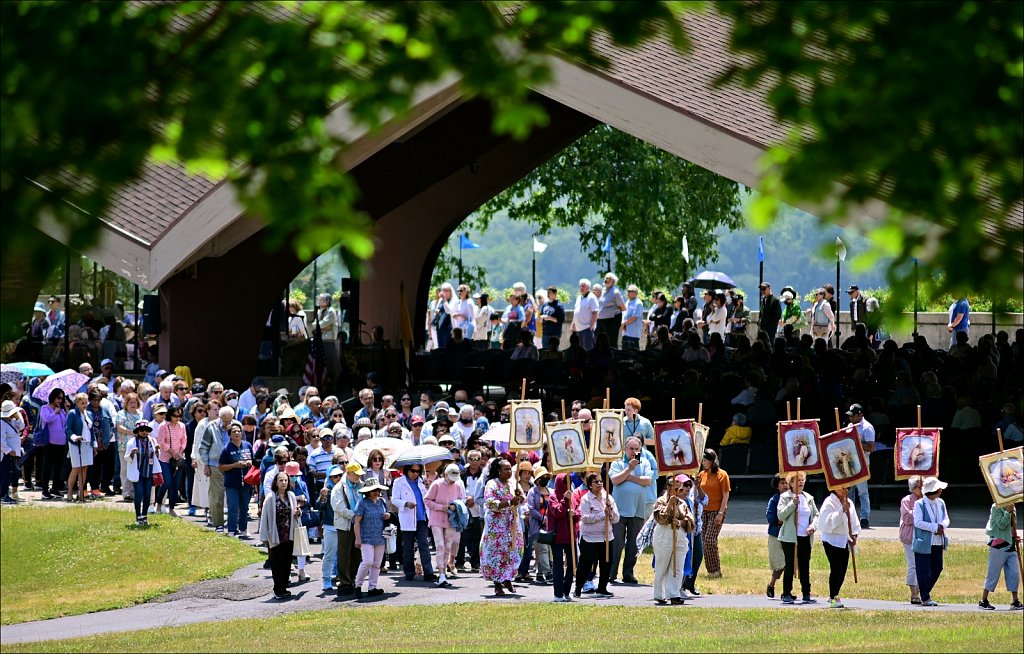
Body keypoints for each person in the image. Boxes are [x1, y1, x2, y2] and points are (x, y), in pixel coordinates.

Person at [609, 437, 654, 583]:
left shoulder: (645, 462)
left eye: (637, 449)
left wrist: (628, 478)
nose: (634, 452)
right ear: (625, 449)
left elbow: (648, 480)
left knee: (633, 544)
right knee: (616, 543)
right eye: (631, 449)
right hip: (619, 511)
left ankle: (628, 573)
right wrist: (630, 469)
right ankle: (611, 572)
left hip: (638, 510)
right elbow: (615, 480)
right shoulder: (617, 462)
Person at [482, 457, 524, 595]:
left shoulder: (513, 483)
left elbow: (522, 499)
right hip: (497, 526)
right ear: (498, 471)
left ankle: (508, 578)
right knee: (496, 553)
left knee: (512, 551)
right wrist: (509, 502)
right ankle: (497, 584)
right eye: (505, 469)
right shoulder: (492, 484)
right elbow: (489, 503)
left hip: (511, 524)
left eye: (510, 469)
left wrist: (519, 497)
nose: (509, 471)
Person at [651, 475, 695, 605]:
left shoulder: (683, 504)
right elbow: (660, 518)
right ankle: (659, 594)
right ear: (669, 488)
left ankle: (674, 594)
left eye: (680, 490)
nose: (678, 493)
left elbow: (691, 522)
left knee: (677, 567)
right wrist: (670, 505)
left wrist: (681, 522)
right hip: (664, 535)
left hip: (680, 537)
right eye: (676, 489)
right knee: (662, 566)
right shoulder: (660, 501)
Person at [574, 472, 618, 598]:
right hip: (590, 538)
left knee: (606, 563)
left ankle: (602, 588)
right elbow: (585, 518)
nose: (599, 483)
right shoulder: (586, 499)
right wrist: (602, 515)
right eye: (596, 482)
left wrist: (611, 511)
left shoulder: (608, 498)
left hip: (606, 537)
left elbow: (616, 519)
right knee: (586, 564)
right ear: (589, 485)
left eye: (601, 481)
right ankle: (578, 588)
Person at [776, 471, 818, 604]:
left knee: (805, 566)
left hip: (805, 537)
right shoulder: (785, 497)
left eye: (802, 480)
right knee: (790, 565)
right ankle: (786, 593)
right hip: (790, 537)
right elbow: (780, 516)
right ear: (791, 483)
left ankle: (806, 593)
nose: (801, 482)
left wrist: (813, 526)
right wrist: (792, 504)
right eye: (797, 480)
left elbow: (817, 515)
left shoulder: (808, 498)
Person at [817, 485, 861, 608]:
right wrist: (842, 510)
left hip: (844, 539)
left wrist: (855, 534)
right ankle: (833, 597)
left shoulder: (849, 502)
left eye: (848, 488)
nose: (846, 491)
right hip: (831, 539)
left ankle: (835, 592)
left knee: (842, 570)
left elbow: (854, 521)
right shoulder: (829, 502)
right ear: (835, 489)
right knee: (836, 568)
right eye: (843, 488)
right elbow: (828, 523)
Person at [392, 463, 436, 583]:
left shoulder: (422, 482)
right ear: (407, 470)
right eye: (413, 471)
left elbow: (427, 498)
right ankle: (409, 572)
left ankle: (429, 572)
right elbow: (394, 499)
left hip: (422, 517)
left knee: (424, 545)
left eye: (418, 471)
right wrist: (405, 503)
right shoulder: (399, 482)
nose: (415, 473)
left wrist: (428, 486)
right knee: (408, 547)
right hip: (408, 517)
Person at [424, 463, 466, 587]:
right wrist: (442, 507)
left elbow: (461, 499)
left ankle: (444, 572)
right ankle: (441, 574)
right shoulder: (436, 484)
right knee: (440, 545)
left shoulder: (458, 485)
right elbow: (427, 500)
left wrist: (456, 506)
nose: (452, 481)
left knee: (447, 546)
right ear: (445, 474)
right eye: (450, 478)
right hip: (436, 518)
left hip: (451, 519)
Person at [260, 470, 300, 599]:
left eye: (285, 480)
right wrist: (264, 537)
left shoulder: (291, 496)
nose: (283, 483)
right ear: (276, 483)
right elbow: (265, 518)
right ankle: (278, 589)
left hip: (288, 534)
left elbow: (296, 516)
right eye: (281, 480)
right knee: (276, 562)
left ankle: (284, 587)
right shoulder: (271, 497)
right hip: (275, 534)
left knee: (287, 561)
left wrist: (298, 513)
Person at [912, 476, 950, 606]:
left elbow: (946, 519)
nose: (940, 491)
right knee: (922, 569)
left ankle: (923, 590)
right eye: (938, 489)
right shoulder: (919, 504)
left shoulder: (941, 502)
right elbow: (917, 522)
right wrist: (934, 527)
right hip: (924, 541)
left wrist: (942, 526)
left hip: (938, 541)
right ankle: (925, 597)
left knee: (937, 567)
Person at [331, 461, 367, 595]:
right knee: (344, 555)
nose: (359, 477)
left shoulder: (361, 486)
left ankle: (353, 580)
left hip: (359, 524)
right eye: (356, 475)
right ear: (349, 473)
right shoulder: (339, 488)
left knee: (357, 554)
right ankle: (344, 583)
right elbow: (338, 507)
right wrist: (354, 516)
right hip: (345, 525)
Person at [979, 502, 1022, 610]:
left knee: (1014, 573)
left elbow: (1012, 525)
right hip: (998, 545)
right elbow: (1001, 525)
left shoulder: (1012, 507)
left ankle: (1015, 601)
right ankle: (983, 600)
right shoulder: (995, 507)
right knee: (993, 573)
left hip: (1011, 545)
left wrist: (1014, 536)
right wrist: (1007, 511)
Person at [352, 477, 391, 598]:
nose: (376, 492)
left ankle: (372, 587)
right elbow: (357, 521)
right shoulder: (362, 503)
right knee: (367, 561)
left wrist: (388, 515)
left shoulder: (382, 501)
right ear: (367, 491)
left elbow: (389, 513)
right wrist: (358, 538)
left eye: (377, 489)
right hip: (366, 537)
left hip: (380, 536)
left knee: (377, 564)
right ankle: (358, 585)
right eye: (373, 490)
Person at [697, 448, 730, 579]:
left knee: (710, 539)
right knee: (703, 541)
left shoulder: (722, 475)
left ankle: (716, 570)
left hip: (716, 510)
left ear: (711, 461)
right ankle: (711, 570)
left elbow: (726, 495)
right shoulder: (701, 474)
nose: (703, 463)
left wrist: (720, 513)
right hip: (703, 511)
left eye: (705, 460)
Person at [547, 472, 580, 602]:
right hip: (557, 537)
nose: (567, 485)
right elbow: (557, 512)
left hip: (571, 536)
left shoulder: (572, 497)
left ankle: (566, 590)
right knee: (558, 565)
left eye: (568, 482)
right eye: (564, 482)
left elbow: (578, 513)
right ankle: (558, 593)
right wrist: (565, 500)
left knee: (572, 564)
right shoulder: (553, 497)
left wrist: (574, 514)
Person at [218, 424, 253, 537]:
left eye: (239, 431)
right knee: (232, 506)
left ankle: (243, 528)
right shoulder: (226, 449)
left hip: (246, 482)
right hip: (232, 483)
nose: (237, 433)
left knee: (244, 507)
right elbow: (221, 467)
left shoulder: (247, 445)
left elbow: (254, 461)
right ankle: (232, 530)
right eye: (234, 431)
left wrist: (249, 463)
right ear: (230, 435)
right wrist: (234, 465)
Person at [124, 420, 159, 525]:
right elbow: (126, 458)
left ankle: (144, 516)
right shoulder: (132, 442)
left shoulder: (152, 440)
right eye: (141, 430)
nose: (144, 432)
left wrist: (157, 451)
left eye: (146, 430)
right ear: (137, 431)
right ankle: (138, 516)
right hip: (137, 472)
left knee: (148, 495)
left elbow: (156, 457)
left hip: (149, 472)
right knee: (139, 494)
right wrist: (131, 454)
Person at [846, 403, 875, 528]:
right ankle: (850, 516)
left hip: (862, 462)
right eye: (850, 416)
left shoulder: (867, 428)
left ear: (860, 415)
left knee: (862, 492)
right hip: (849, 461)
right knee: (849, 491)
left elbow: (871, 447)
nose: (850, 419)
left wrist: (855, 441)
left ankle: (864, 518)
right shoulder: (849, 425)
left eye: (853, 416)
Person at [65, 392, 96, 503]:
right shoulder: (72, 413)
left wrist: (94, 444)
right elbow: (67, 429)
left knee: (84, 468)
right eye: (82, 403)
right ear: (77, 403)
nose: (85, 405)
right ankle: (69, 493)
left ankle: (81, 493)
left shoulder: (89, 414)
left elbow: (92, 431)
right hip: (76, 443)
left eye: (86, 403)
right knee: (76, 468)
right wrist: (74, 437)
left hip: (87, 443)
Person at [155, 406, 186, 515]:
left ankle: (172, 508)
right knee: (167, 482)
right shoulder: (163, 426)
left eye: (180, 416)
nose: (177, 418)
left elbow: (184, 440)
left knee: (175, 484)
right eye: (175, 416)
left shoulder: (182, 426)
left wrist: (180, 452)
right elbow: (161, 442)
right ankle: (158, 503)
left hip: (178, 459)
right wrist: (172, 452)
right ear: (170, 415)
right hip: (165, 458)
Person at [38, 388, 68, 500]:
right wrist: (54, 413)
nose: (60, 400)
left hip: (61, 442)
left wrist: (66, 409)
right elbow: (45, 419)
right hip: (50, 442)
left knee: (58, 466)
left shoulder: (62, 410)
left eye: (61, 398)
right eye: (58, 398)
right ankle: (45, 490)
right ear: (53, 397)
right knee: (47, 466)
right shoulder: (45, 408)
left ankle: (55, 488)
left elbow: (65, 423)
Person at [899, 476, 924, 604]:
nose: (923, 489)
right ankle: (914, 593)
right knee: (913, 564)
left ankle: (921, 590)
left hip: (923, 537)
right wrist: (919, 509)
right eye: (921, 487)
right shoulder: (906, 500)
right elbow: (907, 519)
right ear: (914, 489)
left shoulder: (927, 500)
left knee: (923, 564)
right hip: (909, 537)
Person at [115, 393, 143, 502]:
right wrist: (132, 432)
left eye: (135, 402)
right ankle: (126, 492)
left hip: (138, 445)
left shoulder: (140, 414)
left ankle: (133, 492)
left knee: (135, 468)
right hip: (124, 445)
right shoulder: (121, 413)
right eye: (130, 402)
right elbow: (119, 427)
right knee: (125, 469)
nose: (133, 404)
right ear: (126, 403)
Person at [765, 473, 788, 598]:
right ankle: (771, 585)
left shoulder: (793, 498)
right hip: (776, 535)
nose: (785, 485)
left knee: (789, 564)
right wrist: (783, 519)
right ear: (777, 486)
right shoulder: (774, 500)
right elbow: (771, 517)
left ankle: (787, 591)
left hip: (790, 535)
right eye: (782, 483)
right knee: (780, 564)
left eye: (786, 483)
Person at [0, 400, 25, 504]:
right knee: (5, 475)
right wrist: (9, 451)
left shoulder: (11, 421)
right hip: (6, 454)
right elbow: (1, 440)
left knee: (10, 474)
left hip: (13, 453)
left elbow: (21, 427)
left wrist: (18, 416)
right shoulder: (2, 422)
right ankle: (2, 496)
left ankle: (5, 494)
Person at [597, 273, 626, 347]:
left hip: (611, 321)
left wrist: (611, 310)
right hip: (600, 320)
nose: (606, 280)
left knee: (611, 342)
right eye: (605, 278)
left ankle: (613, 357)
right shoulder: (602, 291)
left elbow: (623, 307)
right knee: (599, 341)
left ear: (613, 281)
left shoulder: (615, 292)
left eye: (608, 278)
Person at [571, 279, 599, 351]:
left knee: (588, 351)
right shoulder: (578, 298)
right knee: (580, 352)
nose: (581, 288)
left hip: (587, 329)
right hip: (578, 329)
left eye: (583, 286)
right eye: (580, 286)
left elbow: (595, 313)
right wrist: (572, 324)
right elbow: (576, 312)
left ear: (588, 288)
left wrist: (591, 326)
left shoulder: (592, 297)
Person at [620, 284, 644, 350]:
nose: (628, 293)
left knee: (634, 354)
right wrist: (623, 324)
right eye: (628, 291)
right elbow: (624, 315)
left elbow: (634, 317)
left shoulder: (638, 303)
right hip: (625, 333)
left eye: (630, 291)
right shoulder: (627, 302)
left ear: (636, 293)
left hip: (633, 334)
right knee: (625, 353)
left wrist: (624, 324)